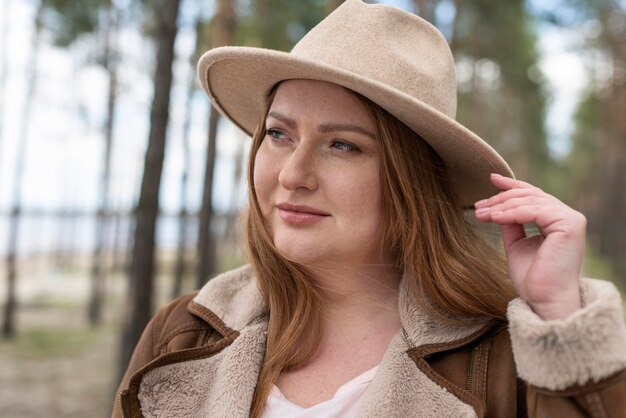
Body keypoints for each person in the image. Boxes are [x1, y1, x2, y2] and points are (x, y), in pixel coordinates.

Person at [113, 1, 626, 417]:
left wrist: (562, 321)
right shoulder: (181, 332)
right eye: (278, 134)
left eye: (343, 145)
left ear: (411, 183)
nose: (293, 174)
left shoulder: (503, 363)